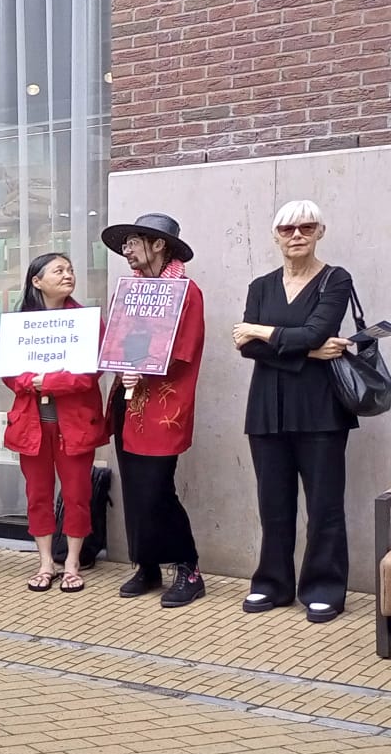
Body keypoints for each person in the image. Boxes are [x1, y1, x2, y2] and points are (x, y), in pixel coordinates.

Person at [233, 199, 355, 622]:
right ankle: (272, 584)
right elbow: (247, 349)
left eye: (306, 227)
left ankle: (324, 587)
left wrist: (260, 331)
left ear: (320, 231)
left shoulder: (335, 279)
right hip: (266, 409)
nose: (297, 235)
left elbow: (316, 331)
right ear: (276, 236)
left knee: (324, 505)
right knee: (273, 504)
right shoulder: (260, 286)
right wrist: (307, 352)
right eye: (287, 229)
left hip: (320, 410)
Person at [101, 212, 206, 608]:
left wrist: (140, 367)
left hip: (163, 404)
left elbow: (184, 349)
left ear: (159, 244)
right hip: (126, 401)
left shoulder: (187, 291)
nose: (126, 250)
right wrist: (118, 362)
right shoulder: (129, 290)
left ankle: (188, 567)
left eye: (133, 242)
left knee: (157, 488)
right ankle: (146, 565)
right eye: (125, 244)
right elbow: (116, 339)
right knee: (133, 487)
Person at [3, 252, 106, 594]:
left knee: (77, 494)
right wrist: (29, 382)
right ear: (37, 281)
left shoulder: (86, 321)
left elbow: (91, 372)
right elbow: (9, 372)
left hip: (74, 424)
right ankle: (46, 562)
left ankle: (73, 563)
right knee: (38, 494)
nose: (68, 275)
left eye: (70, 269)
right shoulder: (21, 323)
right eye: (58, 270)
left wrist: (47, 382)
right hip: (32, 425)